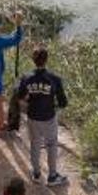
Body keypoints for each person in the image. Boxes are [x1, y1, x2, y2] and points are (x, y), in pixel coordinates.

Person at [14, 47, 69, 186]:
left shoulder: (26, 77)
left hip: (33, 117)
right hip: (49, 117)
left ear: (33, 60)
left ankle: (37, 174)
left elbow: (20, 97)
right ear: (46, 60)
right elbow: (63, 102)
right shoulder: (54, 78)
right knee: (51, 145)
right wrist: (53, 106)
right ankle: (52, 176)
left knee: (35, 145)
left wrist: (29, 103)